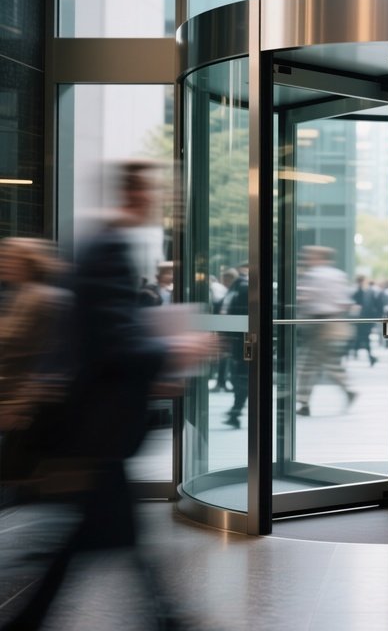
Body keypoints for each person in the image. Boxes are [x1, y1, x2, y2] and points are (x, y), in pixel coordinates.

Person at [0, 160, 211, 631]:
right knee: (103, 533)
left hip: (96, 428)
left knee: (106, 534)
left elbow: (104, 337)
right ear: (137, 194)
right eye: (157, 191)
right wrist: (177, 347)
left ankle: (164, 617)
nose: (162, 200)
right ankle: (168, 618)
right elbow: (112, 342)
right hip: (97, 428)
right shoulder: (108, 247)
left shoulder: (101, 243)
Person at [0, 237, 73, 502]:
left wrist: (18, 406)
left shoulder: (43, 299)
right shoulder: (19, 296)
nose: (3, 263)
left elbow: (47, 359)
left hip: (25, 407)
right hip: (14, 402)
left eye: (10, 258)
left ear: (28, 263)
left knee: (23, 478)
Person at [295, 246, 355, 417]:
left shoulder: (314, 275)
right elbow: (345, 302)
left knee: (309, 364)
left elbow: (303, 298)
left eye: (309, 255)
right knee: (326, 362)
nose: (306, 258)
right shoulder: (339, 275)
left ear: (319, 257)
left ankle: (304, 401)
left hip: (318, 323)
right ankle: (347, 390)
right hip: (334, 321)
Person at [219, 263, 249, 428]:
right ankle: (235, 411)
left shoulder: (241, 288)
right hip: (238, 340)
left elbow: (241, 313)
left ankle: (236, 410)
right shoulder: (236, 288)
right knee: (238, 376)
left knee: (240, 376)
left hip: (242, 340)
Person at [350, 275, 379, 366]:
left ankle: (359, 352)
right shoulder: (360, 292)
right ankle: (370, 357)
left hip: (363, 320)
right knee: (364, 339)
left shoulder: (366, 292)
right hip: (361, 320)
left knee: (362, 338)